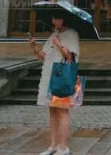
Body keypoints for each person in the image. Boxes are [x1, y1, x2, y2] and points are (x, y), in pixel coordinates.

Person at [29, 11, 80, 155]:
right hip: (48, 76)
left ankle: (63, 147)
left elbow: (70, 57)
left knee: (63, 111)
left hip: (61, 78)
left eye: (56, 18)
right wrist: (34, 47)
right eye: (52, 18)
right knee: (52, 111)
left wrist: (59, 44)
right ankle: (53, 145)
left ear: (64, 20)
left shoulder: (72, 34)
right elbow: (43, 56)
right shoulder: (52, 35)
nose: (53, 21)